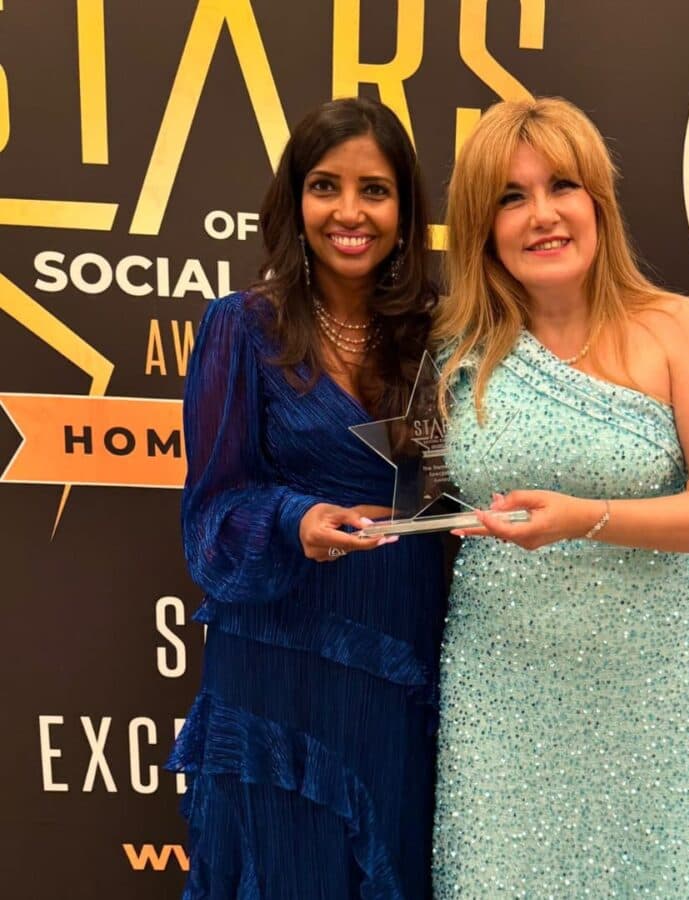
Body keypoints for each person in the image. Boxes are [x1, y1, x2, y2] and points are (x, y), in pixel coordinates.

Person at [431, 97, 689, 898]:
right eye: (510, 198)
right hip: (500, 680)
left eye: (562, 187)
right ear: (482, 226)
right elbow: (425, 495)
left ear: (598, 203)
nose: (541, 215)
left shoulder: (677, 328)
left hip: (645, 682)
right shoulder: (455, 349)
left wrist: (590, 519)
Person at [167, 97, 446, 899]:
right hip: (277, 657)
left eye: (375, 190)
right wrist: (296, 521)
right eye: (326, 186)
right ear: (295, 201)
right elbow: (211, 513)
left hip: (397, 653)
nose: (350, 212)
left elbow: (443, 487)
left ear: (404, 208)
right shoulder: (240, 328)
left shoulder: (436, 331)